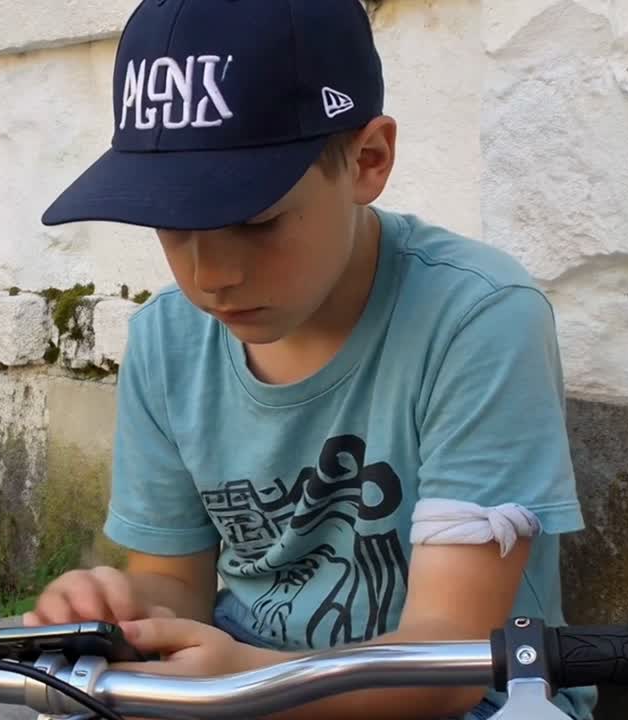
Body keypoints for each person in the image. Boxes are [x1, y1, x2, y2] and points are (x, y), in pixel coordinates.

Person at [31, 1, 596, 718]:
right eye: (171, 223)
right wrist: (124, 608)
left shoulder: (478, 318)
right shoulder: (167, 339)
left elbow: (451, 659)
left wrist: (246, 684)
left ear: (368, 160)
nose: (211, 274)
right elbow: (177, 585)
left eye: (255, 219)